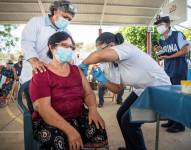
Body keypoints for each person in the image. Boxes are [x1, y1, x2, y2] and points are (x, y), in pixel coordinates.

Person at [79, 32, 171, 150]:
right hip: (142, 90)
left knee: (129, 122)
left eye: (99, 50)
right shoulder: (112, 65)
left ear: (112, 45)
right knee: (120, 115)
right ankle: (131, 147)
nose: (98, 53)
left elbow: (99, 56)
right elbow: (117, 89)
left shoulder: (126, 48)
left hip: (159, 90)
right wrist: (102, 79)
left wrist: (83, 63)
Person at [29, 32, 108, 150]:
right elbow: (43, 109)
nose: (69, 49)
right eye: (65, 45)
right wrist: (70, 131)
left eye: (71, 47)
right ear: (51, 47)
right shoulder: (42, 73)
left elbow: (88, 93)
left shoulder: (76, 70)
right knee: (59, 140)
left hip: (78, 115)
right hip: (50, 121)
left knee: (98, 127)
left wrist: (92, 109)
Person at [20, 0, 77, 84]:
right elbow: (27, 44)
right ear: (55, 11)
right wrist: (35, 62)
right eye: (65, 17)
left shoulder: (67, 33)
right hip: (32, 73)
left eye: (69, 19)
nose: (67, 21)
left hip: (55, 77)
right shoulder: (36, 22)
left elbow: (72, 52)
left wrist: (71, 61)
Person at [154, 15, 190, 133]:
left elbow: (185, 50)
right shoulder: (161, 40)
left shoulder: (177, 34)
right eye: (158, 25)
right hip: (168, 71)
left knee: (181, 97)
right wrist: (158, 52)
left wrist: (168, 56)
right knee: (171, 96)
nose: (159, 27)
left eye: (161, 24)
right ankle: (172, 120)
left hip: (180, 70)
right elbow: (162, 56)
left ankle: (180, 124)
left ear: (168, 24)